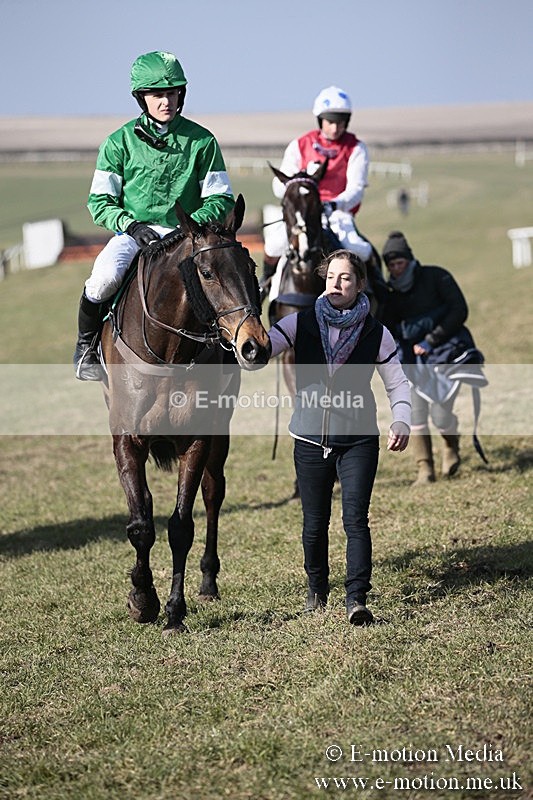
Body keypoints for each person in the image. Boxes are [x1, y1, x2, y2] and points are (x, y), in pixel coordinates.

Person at [268, 250, 411, 625]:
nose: (336, 283)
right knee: (314, 524)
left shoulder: (376, 332)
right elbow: (261, 352)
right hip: (310, 438)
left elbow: (397, 383)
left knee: (355, 520)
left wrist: (402, 420)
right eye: (331, 276)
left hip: (359, 439)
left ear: (359, 284)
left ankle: (357, 599)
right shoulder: (300, 323)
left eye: (345, 278)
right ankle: (316, 591)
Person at [74, 50, 235, 380]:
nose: (166, 101)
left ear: (181, 94)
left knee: (226, 277)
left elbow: (221, 198)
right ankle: (86, 347)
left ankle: (229, 350)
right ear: (141, 98)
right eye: (157, 94)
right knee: (104, 278)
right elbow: (100, 201)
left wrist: (190, 228)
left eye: (172, 93)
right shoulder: (117, 143)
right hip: (136, 236)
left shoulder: (202, 141)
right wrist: (131, 226)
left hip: (189, 236)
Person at [262, 86, 372, 295]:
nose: (335, 127)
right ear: (320, 120)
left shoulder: (356, 148)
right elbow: (279, 185)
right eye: (330, 121)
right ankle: (263, 287)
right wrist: (296, 190)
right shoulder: (299, 145)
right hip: (301, 214)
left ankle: (377, 291)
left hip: (337, 214)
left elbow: (356, 189)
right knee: (273, 245)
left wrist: (333, 204)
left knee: (361, 250)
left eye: (341, 122)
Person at [380, 231, 470, 485]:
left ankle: (451, 446)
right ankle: (425, 468)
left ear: (410, 259)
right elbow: (390, 327)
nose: (397, 269)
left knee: (442, 413)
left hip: (446, 350)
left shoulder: (436, 276)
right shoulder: (392, 295)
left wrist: (431, 340)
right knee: (416, 410)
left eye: (401, 263)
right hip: (413, 360)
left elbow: (459, 309)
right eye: (392, 265)